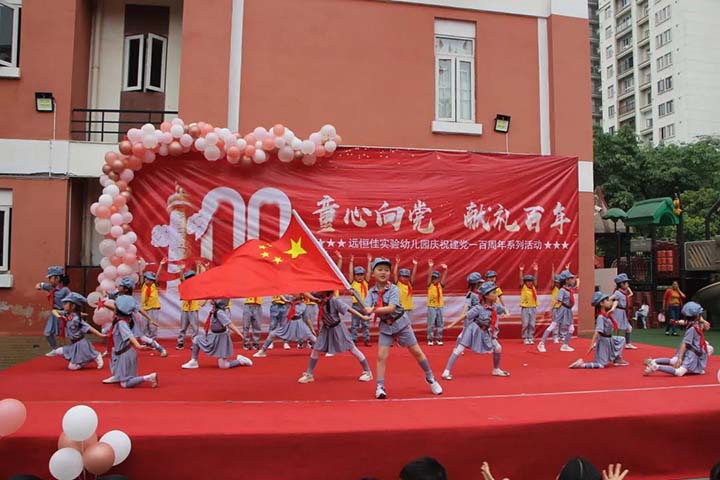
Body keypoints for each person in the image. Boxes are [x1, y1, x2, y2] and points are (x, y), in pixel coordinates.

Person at [364, 257, 442, 399]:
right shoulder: (370, 292)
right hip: (386, 327)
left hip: (401, 324)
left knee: (417, 352)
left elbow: (391, 308)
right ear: (373, 273)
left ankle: (430, 377)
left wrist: (372, 310)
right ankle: (380, 386)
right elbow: (366, 308)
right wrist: (365, 311)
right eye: (380, 270)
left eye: (386, 270)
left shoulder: (394, 288)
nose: (383, 272)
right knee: (381, 356)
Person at [297, 291, 373, 384]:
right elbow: (304, 292)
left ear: (327, 293)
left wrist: (362, 317)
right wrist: (314, 299)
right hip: (326, 328)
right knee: (316, 349)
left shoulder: (335, 301)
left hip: (337, 328)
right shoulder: (319, 299)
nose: (317, 292)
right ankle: (309, 374)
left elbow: (348, 309)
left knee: (352, 348)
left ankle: (368, 371)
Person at [441, 281, 510, 379]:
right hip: (473, 330)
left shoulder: (495, 306)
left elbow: (504, 309)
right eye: (494, 293)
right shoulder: (478, 308)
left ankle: (496, 369)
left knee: (498, 347)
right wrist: (452, 324)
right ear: (486, 296)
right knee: (459, 349)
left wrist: (507, 313)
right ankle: (446, 371)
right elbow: (465, 316)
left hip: (486, 332)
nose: (496, 295)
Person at [644, 301, 712, 377]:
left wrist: (676, 322)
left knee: (674, 361)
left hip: (692, 350)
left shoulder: (692, 323)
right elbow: (684, 344)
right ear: (697, 315)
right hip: (691, 353)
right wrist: (680, 358)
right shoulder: (692, 328)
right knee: (679, 371)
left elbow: (685, 322)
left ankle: (652, 361)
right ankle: (656, 366)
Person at [103, 295, 158, 388]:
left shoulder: (121, 323)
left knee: (125, 384)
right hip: (121, 353)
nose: (114, 308)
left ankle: (149, 377)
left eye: (115, 306)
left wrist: (138, 345)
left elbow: (129, 335)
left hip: (125, 354)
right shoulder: (124, 319)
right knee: (118, 371)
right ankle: (119, 376)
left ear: (119, 310)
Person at [181, 298, 253, 369]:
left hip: (221, 339)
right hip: (213, 336)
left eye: (214, 299)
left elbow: (230, 324)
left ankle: (240, 361)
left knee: (224, 365)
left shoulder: (219, 312)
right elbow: (201, 304)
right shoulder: (214, 310)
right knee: (197, 339)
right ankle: (194, 361)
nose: (211, 300)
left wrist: (239, 334)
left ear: (219, 302)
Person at [569, 291, 628, 369]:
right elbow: (597, 332)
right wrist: (592, 344)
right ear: (601, 304)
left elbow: (616, 302)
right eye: (607, 300)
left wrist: (613, 308)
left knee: (621, 339)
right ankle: (582, 365)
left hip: (609, 339)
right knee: (601, 365)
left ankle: (617, 359)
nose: (609, 302)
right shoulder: (601, 317)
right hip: (603, 342)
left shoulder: (607, 315)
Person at [46, 292, 104, 370]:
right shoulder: (66, 314)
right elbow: (54, 311)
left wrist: (100, 334)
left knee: (72, 367)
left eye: (66, 303)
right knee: (58, 351)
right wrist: (59, 316)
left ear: (73, 306)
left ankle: (95, 356)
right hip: (74, 344)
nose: (63, 305)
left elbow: (89, 328)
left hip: (81, 344)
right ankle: (88, 357)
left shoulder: (76, 319)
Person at [538, 269, 578, 353]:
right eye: (570, 278)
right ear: (566, 280)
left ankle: (565, 345)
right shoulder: (562, 290)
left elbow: (576, 283)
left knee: (571, 328)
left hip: (568, 311)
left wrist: (576, 279)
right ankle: (541, 343)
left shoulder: (569, 289)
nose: (572, 280)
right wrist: (550, 310)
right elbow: (557, 301)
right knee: (553, 326)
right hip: (561, 310)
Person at [35, 266, 71, 354]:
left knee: (65, 334)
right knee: (47, 332)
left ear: (57, 278)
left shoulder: (65, 290)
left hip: (64, 313)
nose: (49, 280)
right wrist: (39, 286)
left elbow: (71, 301)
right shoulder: (50, 287)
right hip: (54, 313)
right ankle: (55, 349)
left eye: (50, 278)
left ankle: (69, 351)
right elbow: (39, 285)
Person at [348, 254, 372, 346]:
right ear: (355, 276)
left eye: (362, 274)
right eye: (358, 275)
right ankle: (354, 340)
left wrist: (369, 261)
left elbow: (369, 272)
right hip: (356, 306)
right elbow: (350, 273)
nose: (360, 277)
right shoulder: (353, 283)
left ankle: (366, 339)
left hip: (365, 306)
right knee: (355, 324)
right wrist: (351, 262)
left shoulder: (365, 282)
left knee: (366, 324)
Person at [140, 258, 166, 340]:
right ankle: (147, 339)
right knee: (144, 324)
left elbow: (157, 275)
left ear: (152, 281)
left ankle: (153, 338)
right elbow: (141, 275)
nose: (146, 280)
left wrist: (161, 265)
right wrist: (140, 265)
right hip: (145, 308)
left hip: (154, 307)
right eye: (146, 278)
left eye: (148, 279)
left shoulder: (154, 285)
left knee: (153, 324)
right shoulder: (143, 286)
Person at [176, 270, 201, 350]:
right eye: (188, 278)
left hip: (193, 308)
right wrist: (181, 271)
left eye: (191, 277)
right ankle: (180, 343)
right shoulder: (185, 285)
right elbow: (181, 279)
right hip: (185, 309)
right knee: (183, 327)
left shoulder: (196, 285)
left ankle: (195, 343)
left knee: (194, 328)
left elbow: (199, 277)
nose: (190, 279)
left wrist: (198, 267)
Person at [611, 273, 637, 350]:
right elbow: (611, 297)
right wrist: (605, 300)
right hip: (618, 312)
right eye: (626, 283)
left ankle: (628, 343)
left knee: (628, 328)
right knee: (612, 327)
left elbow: (630, 293)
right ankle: (600, 341)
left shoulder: (623, 292)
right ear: (622, 284)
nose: (628, 284)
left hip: (623, 312)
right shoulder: (618, 293)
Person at [426, 260, 449, 346]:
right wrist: (430, 267)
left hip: (440, 306)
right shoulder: (430, 285)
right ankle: (430, 339)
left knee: (440, 323)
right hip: (431, 306)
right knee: (431, 323)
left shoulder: (440, 285)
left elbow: (444, 278)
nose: (434, 280)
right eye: (433, 278)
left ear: (438, 279)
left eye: (435, 278)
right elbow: (428, 276)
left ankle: (439, 338)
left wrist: (446, 270)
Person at [394, 256, 418, 323]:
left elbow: (414, 274)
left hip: (409, 309)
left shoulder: (410, 284)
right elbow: (394, 273)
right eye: (403, 276)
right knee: (399, 325)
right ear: (400, 277)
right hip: (400, 309)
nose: (405, 278)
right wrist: (397, 263)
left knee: (408, 325)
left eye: (407, 276)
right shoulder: (398, 283)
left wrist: (415, 265)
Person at [519, 263, 539, 345]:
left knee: (532, 324)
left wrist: (536, 271)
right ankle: (525, 338)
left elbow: (536, 279)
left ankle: (530, 337)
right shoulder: (523, 287)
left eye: (531, 281)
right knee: (525, 323)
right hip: (525, 308)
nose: (529, 282)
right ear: (525, 282)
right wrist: (521, 270)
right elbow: (520, 279)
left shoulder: (534, 287)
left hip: (533, 307)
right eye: (528, 281)